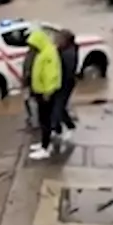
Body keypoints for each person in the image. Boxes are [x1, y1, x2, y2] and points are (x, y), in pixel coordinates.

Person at [26, 28, 63, 160]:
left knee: (45, 120)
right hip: (41, 91)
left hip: (46, 93)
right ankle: (43, 144)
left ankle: (45, 148)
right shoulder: (44, 51)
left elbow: (51, 75)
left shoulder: (48, 53)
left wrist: (47, 92)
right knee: (43, 120)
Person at [52, 29, 79, 141]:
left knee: (59, 107)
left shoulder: (69, 53)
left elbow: (67, 71)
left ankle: (70, 127)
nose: (56, 40)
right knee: (56, 107)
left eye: (59, 38)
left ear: (66, 40)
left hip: (65, 84)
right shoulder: (62, 50)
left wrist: (59, 83)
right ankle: (57, 130)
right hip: (59, 83)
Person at [21, 35, 38, 129]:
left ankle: (35, 121)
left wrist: (26, 80)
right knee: (28, 101)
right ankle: (32, 119)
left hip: (31, 83)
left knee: (31, 102)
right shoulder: (31, 53)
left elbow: (29, 70)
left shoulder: (34, 54)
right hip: (28, 83)